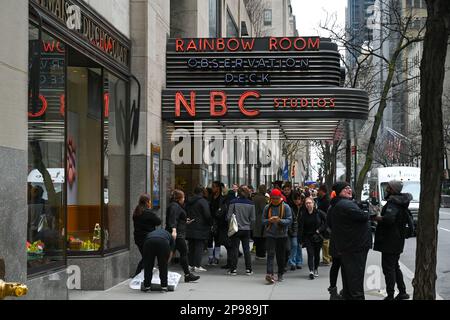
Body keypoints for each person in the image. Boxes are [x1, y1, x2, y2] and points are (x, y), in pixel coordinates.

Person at [327, 182, 372, 300]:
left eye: (349, 188)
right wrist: (368, 213)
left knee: (349, 280)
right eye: (345, 189)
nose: (349, 190)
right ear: (339, 192)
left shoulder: (339, 204)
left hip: (348, 246)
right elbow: (364, 216)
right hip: (355, 247)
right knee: (355, 281)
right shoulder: (346, 204)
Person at [372, 180, 414, 300]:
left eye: (388, 188)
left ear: (393, 190)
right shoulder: (401, 202)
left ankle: (390, 295)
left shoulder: (393, 204)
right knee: (395, 266)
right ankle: (402, 292)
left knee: (388, 269)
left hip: (389, 241)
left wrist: (375, 217)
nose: (386, 190)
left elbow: (389, 219)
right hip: (397, 240)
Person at [165, 189, 200, 283]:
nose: (184, 199)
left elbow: (178, 219)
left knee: (171, 253)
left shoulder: (175, 206)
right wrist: (174, 230)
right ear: (179, 198)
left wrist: (185, 221)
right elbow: (173, 219)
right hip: (177, 234)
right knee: (183, 252)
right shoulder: (174, 206)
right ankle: (187, 275)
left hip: (177, 233)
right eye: (183, 197)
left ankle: (186, 274)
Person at [262, 189, 292, 283]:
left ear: (280, 198)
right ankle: (269, 274)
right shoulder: (267, 207)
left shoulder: (286, 207)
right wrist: (269, 220)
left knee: (281, 256)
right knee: (270, 254)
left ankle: (280, 273)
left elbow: (289, 220)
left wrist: (279, 220)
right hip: (270, 234)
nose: (274, 200)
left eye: (276, 198)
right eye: (273, 198)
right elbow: (262, 221)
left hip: (282, 235)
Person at [226, 186, 256, 275]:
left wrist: (229, 227)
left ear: (238, 193)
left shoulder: (233, 202)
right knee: (246, 249)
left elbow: (228, 216)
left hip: (235, 229)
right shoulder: (251, 204)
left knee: (235, 249)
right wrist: (251, 228)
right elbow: (253, 219)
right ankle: (248, 269)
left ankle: (233, 269)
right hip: (246, 229)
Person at [133, 194, 161, 277]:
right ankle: (137, 275)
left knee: (146, 257)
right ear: (147, 202)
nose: (150, 203)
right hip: (147, 239)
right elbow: (158, 221)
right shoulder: (148, 213)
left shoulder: (137, 212)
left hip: (138, 239)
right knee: (147, 258)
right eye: (150, 201)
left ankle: (142, 275)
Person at [186, 186, 212, 272]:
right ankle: (197, 265)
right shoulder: (203, 202)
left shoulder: (189, 201)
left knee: (191, 246)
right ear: (202, 192)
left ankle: (190, 264)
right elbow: (207, 215)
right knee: (199, 246)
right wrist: (210, 224)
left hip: (190, 226)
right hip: (201, 227)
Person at [299, 197, 327, 279]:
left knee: (317, 254)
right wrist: (300, 239)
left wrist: (320, 230)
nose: (308, 204)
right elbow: (301, 227)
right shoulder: (303, 214)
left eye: (309, 203)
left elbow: (326, 222)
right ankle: (311, 271)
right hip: (308, 237)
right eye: (306, 203)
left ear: (313, 204)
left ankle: (315, 269)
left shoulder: (319, 213)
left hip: (318, 236)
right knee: (310, 254)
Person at [208, 181, 226, 265]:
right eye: (212, 186)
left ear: (218, 188)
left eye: (214, 186)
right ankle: (210, 257)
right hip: (210, 220)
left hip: (219, 221)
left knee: (218, 239)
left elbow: (224, 210)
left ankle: (217, 257)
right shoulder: (209, 197)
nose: (212, 188)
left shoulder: (223, 198)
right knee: (209, 239)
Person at [287, 192, 305, 270]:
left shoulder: (303, 208)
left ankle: (299, 262)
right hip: (293, 229)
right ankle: (292, 262)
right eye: (295, 199)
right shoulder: (291, 208)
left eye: (298, 199)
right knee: (294, 245)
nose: (297, 201)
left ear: (301, 199)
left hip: (300, 230)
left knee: (299, 246)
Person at [317, 185, 331, 266]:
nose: (318, 192)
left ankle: (326, 258)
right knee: (326, 240)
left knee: (325, 241)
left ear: (323, 191)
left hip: (325, 221)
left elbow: (326, 211)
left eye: (319, 190)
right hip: (324, 221)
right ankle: (328, 257)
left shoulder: (326, 200)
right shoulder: (323, 199)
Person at [253, 185, 268, 259]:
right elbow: (264, 209)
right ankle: (261, 253)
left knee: (257, 237)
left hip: (255, 219)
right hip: (261, 220)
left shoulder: (254, 197)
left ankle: (258, 253)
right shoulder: (262, 198)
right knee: (262, 237)